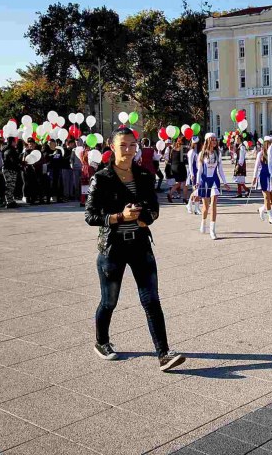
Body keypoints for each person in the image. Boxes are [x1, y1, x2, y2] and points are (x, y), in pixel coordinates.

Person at [85, 127, 185, 371]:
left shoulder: (143, 174)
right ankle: (101, 341)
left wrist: (144, 218)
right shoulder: (102, 177)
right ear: (111, 146)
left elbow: (154, 209)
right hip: (112, 248)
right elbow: (90, 216)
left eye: (132, 145)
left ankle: (164, 353)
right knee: (109, 301)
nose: (128, 150)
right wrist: (120, 216)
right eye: (123, 145)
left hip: (140, 245)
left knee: (151, 300)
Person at [196, 132, 230, 239]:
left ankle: (212, 230)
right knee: (205, 207)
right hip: (205, 181)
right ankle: (203, 221)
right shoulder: (202, 154)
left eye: (216, 140)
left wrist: (225, 182)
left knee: (214, 203)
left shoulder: (218, 153)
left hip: (215, 180)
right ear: (208, 141)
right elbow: (200, 170)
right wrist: (197, 182)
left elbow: (220, 169)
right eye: (213, 139)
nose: (215, 141)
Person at [252, 135, 272, 224]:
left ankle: (262, 208)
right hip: (263, 176)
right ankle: (271, 217)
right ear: (265, 144)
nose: (270, 145)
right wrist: (254, 178)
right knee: (266, 197)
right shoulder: (260, 154)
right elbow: (256, 166)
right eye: (269, 143)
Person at [2, 137, 21, 208]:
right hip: (10, 170)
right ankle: (9, 202)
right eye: (15, 141)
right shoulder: (11, 150)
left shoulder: (5, 149)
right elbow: (15, 160)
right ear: (12, 142)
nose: (16, 143)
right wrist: (22, 163)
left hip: (8, 169)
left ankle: (10, 201)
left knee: (10, 186)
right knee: (10, 186)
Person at [185, 137, 201, 215]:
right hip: (194, 172)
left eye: (197, 143)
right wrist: (191, 174)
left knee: (197, 190)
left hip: (199, 172)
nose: (196, 145)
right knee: (196, 190)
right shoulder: (191, 152)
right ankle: (196, 208)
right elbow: (190, 164)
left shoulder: (198, 152)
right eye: (194, 143)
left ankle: (190, 205)